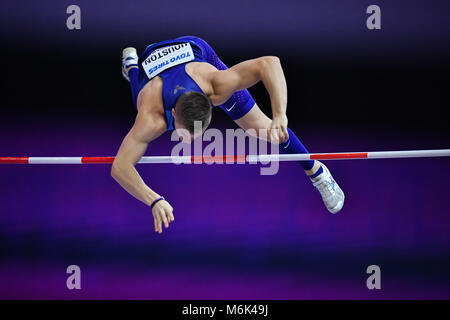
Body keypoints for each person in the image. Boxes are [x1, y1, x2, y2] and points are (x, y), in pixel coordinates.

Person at [111, 36, 344, 234]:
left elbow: (269, 63)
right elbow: (119, 167)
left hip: (193, 50)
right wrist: (154, 199)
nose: (191, 141)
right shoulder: (152, 117)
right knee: (138, 98)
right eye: (185, 133)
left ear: (212, 103)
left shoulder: (217, 85)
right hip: (151, 66)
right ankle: (132, 67)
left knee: (267, 131)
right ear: (171, 114)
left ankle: (317, 172)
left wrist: (280, 114)